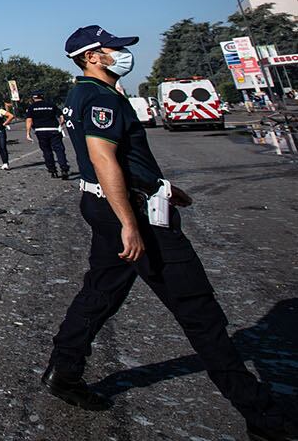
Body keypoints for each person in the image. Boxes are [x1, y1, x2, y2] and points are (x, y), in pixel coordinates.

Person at [43, 25, 295, 441]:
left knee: (100, 291)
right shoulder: (102, 98)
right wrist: (130, 222)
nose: (122, 54)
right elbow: (103, 157)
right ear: (91, 56)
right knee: (200, 313)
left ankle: (64, 371)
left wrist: (160, 186)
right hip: (128, 212)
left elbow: (119, 158)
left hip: (110, 202)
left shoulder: (81, 94)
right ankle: (263, 416)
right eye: (114, 49)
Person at [25, 90, 70, 179]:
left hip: (40, 130)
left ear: (33, 98)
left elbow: (29, 120)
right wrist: (61, 125)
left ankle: (53, 171)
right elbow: (61, 116)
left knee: (47, 151)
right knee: (59, 150)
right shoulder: (51, 104)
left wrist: (28, 133)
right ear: (42, 96)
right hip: (54, 129)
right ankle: (64, 169)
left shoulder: (31, 107)